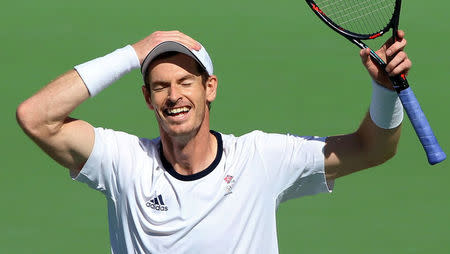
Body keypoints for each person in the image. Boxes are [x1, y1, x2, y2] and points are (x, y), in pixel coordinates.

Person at [16, 30, 411, 253]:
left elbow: (373, 148)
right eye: (160, 86)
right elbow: (35, 117)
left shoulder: (261, 159)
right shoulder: (124, 162)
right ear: (147, 98)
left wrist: (385, 91)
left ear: (210, 89)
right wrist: (134, 52)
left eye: (186, 82)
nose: (174, 96)